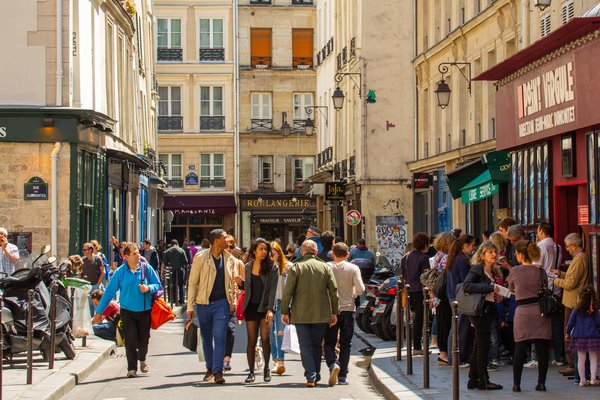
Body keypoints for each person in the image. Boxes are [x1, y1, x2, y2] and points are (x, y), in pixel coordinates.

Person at [93, 242, 162, 378]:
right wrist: (99, 312)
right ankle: (132, 369)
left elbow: (158, 285)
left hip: (144, 310)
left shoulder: (145, 268)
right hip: (127, 312)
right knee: (130, 340)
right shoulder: (120, 272)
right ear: (126, 257)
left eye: (138, 252)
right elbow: (108, 293)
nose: (138, 255)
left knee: (144, 340)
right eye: (135, 253)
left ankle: (142, 359)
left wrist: (148, 288)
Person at [281, 240, 338, 387]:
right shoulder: (325, 267)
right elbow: (333, 291)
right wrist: (335, 311)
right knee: (317, 345)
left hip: (301, 313)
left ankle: (311, 376)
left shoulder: (296, 267)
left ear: (302, 252)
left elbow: (288, 292)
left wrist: (284, 311)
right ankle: (315, 373)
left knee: (305, 345)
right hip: (321, 312)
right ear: (317, 252)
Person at [187, 229, 237, 384]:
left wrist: (233, 300)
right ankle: (210, 367)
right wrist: (190, 306)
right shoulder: (201, 257)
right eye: (224, 238)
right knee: (206, 338)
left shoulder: (229, 258)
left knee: (220, 337)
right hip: (203, 303)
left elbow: (232, 283)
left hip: (221, 303)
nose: (227, 241)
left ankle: (218, 371)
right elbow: (193, 282)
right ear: (216, 241)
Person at [507, 240, 551, 392]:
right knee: (541, 348)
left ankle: (516, 384)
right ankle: (542, 383)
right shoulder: (540, 271)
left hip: (522, 312)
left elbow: (510, 289)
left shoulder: (514, 271)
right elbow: (545, 287)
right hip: (539, 311)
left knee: (520, 348)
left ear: (520, 254)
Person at [464, 241, 503, 391]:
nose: (494, 255)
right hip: (479, 312)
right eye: (490, 252)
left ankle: (473, 380)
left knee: (478, 346)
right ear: (482, 255)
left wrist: (496, 295)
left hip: (488, 310)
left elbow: (489, 291)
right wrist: (489, 288)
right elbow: (467, 286)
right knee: (483, 346)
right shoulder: (477, 269)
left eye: (495, 252)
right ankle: (483, 380)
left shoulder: (493, 270)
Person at [324, 242, 365, 385]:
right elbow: (361, 288)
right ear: (348, 254)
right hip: (348, 309)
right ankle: (342, 376)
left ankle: (332, 363)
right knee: (345, 343)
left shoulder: (327, 267)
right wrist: (353, 293)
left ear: (332, 254)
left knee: (329, 342)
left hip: (330, 310)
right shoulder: (353, 268)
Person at [550, 232, 590, 376]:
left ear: (573, 245)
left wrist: (554, 280)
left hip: (573, 300)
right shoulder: (579, 257)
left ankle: (572, 363)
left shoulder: (579, 259)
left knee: (568, 332)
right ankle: (572, 363)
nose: (567, 249)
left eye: (568, 246)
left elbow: (571, 283)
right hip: (572, 300)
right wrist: (560, 273)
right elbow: (572, 277)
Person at [240, 238, 278, 383]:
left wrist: (270, 309)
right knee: (251, 341)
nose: (264, 252)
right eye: (261, 249)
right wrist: (241, 284)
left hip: (265, 307)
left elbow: (272, 291)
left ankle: (266, 368)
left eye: (265, 249)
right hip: (251, 307)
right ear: (254, 251)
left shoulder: (272, 267)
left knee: (265, 338)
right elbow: (248, 289)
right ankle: (251, 372)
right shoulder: (248, 266)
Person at [536, 222, 566, 367]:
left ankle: (540, 355)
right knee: (556, 324)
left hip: (544, 289)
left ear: (541, 231)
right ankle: (560, 356)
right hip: (556, 288)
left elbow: (537, 267)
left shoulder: (540, 247)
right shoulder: (558, 247)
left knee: (540, 323)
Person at [445, 233, 476, 366]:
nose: (474, 248)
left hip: (452, 296)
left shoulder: (454, 258)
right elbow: (466, 281)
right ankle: (457, 358)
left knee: (456, 327)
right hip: (460, 297)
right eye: (473, 245)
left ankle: (455, 357)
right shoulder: (462, 260)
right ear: (465, 246)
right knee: (460, 328)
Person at [399, 232, 430, 355]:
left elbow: (402, 273)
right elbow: (425, 277)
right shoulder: (424, 258)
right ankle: (417, 346)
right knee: (419, 319)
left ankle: (413, 345)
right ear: (425, 245)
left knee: (412, 318)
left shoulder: (406, 256)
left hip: (408, 290)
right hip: (420, 291)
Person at [565, 285, 600, 386]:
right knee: (593, 359)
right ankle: (593, 379)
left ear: (580, 298)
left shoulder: (576, 310)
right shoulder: (594, 310)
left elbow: (570, 323)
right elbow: (598, 322)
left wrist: (567, 333)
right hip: (593, 337)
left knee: (581, 359)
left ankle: (582, 380)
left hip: (579, 337)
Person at [430, 232, 455, 364]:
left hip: (437, 294)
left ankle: (443, 351)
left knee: (441, 323)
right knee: (445, 324)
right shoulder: (446, 258)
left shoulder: (437, 256)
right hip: (444, 295)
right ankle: (444, 352)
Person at [270, 241, 293, 375]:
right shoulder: (267, 267)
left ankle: (280, 361)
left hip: (283, 303)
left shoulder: (288, 267)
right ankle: (275, 360)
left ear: (279, 253)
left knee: (280, 332)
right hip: (270, 303)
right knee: (270, 334)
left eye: (273, 254)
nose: (271, 257)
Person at [223, 235, 245, 372]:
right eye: (226, 246)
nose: (229, 249)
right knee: (219, 331)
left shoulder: (239, 264)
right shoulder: (216, 262)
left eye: (231, 246)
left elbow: (245, 287)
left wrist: (240, 283)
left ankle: (226, 359)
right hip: (218, 302)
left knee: (230, 330)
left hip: (232, 303)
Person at [80, 242, 106, 317]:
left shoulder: (98, 259)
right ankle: (91, 322)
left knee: (97, 305)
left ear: (90, 250)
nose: (83, 251)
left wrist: (99, 282)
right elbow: (80, 272)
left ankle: (98, 322)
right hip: (86, 286)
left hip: (95, 286)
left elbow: (103, 271)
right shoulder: (82, 260)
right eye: (83, 250)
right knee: (89, 306)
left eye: (85, 250)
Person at [161, 239, 188, 306]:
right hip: (180, 270)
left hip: (170, 270)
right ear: (177, 243)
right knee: (181, 285)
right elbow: (186, 261)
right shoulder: (181, 250)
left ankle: (172, 299)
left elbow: (164, 263)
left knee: (171, 284)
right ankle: (181, 300)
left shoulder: (167, 251)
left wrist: (162, 273)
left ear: (171, 244)